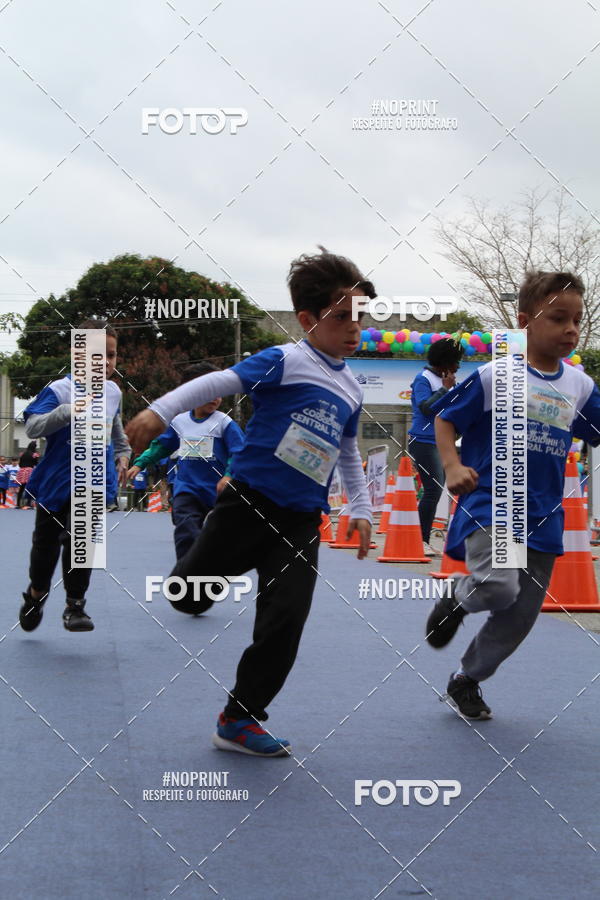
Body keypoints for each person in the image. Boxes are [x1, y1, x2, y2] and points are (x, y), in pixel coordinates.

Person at [126, 248, 374, 757]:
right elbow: (220, 381)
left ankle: (239, 719)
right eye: (342, 316)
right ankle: (194, 581)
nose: (355, 327)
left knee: (286, 619)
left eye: (361, 316)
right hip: (249, 504)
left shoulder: (351, 387)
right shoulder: (287, 360)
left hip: (302, 519)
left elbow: (348, 451)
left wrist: (364, 510)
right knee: (189, 594)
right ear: (308, 320)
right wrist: (158, 410)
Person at [425, 271, 600, 719]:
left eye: (577, 320)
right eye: (558, 318)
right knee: (499, 583)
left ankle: (467, 679)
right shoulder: (495, 374)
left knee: (519, 613)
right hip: (495, 503)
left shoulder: (579, 386)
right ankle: (457, 598)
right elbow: (445, 418)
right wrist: (452, 465)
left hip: (545, 516)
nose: (571, 328)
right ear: (525, 321)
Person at [18, 319, 130, 633]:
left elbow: (116, 431)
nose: (105, 363)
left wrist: (123, 455)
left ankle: (75, 607)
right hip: (57, 482)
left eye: (110, 355)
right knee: (46, 545)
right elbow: (33, 427)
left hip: (93, 483)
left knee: (83, 544)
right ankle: (36, 594)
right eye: (97, 356)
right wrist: (68, 410)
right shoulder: (59, 389)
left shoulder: (113, 392)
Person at [128, 362, 245, 558]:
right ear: (191, 393)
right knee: (186, 528)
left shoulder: (224, 423)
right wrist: (141, 462)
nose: (216, 398)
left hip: (216, 492)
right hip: (187, 489)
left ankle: (207, 567)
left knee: (217, 538)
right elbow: (161, 446)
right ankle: (187, 569)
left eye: (220, 392)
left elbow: (239, 451)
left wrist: (228, 475)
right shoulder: (179, 422)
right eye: (209, 391)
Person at [408, 338, 464, 556]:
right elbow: (426, 408)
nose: (458, 366)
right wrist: (445, 389)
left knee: (436, 490)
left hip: (443, 443)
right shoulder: (423, 378)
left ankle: (423, 539)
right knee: (433, 489)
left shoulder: (450, 382)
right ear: (445, 362)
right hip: (423, 441)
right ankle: (420, 540)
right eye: (456, 361)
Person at [16, 441, 39, 508]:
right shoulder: (34, 455)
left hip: (21, 471)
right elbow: (36, 464)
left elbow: (20, 464)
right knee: (29, 488)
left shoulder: (22, 454)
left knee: (21, 488)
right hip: (29, 471)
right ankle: (28, 504)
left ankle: (18, 504)